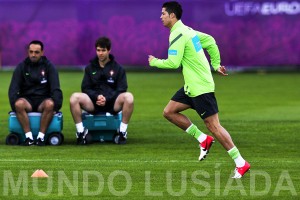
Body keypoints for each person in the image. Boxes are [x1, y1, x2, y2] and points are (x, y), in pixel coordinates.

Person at [148, 1, 250, 178]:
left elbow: (173, 63)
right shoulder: (188, 30)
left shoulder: (178, 33)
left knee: (214, 126)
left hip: (200, 87)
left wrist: (155, 61)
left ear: (172, 16)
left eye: (163, 13)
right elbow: (210, 41)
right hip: (191, 86)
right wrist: (216, 64)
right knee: (169, 111)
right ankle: (203, 139)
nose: (161, 16)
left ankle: (241, 163)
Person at [70, 36, 134, 145]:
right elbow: (85, 88)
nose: (100, 53)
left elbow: (122, 88)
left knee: (129, 97)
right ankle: (81, 133)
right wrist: (97, 97)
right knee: (74, 97)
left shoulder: (118, 68)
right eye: (98, 50)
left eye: (103, 50)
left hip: (112, 104)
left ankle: (122, 132)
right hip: (93, 103)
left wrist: (107, 98)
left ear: (109, 50)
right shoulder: (90, 68)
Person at [8, 40, 63, 146]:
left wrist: (56, 107)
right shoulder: (21, 67)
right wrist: (14, 107)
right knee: (18, 104)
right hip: (27, 100)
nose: (33, 55)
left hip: (43, 100)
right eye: (31, 52)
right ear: (28, 52)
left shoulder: (49, 66)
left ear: (42, 52)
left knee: (50, 104)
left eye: (36, 52)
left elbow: (56, 88)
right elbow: (13, 88)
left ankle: (41, 138)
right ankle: (28, 137)